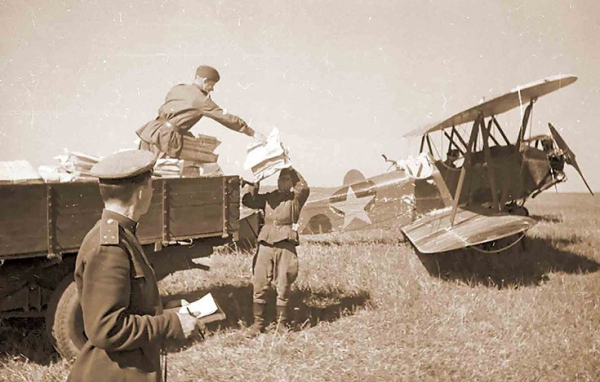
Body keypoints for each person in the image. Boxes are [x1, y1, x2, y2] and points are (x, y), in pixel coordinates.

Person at [68, 150, 201, 382]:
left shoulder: (121, 234)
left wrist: (165, 308)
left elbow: (127, 303)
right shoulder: (110, 246)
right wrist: (172, 323)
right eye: (151, 187)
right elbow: (107, 328)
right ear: (140, 193)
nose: (152, 193)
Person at [136, 65, 266, 158]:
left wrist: (183, 131)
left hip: (150, 132)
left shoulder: (177, 88)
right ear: (205, 81)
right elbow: (224, 117)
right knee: (160, 177)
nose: (212, 90)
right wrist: (252, 132)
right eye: (212, 85)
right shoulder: (201, 99)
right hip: (165, 140)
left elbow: (171, 113)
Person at [241, 167, 310, 337]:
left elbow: (305, 187)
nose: (282, 183)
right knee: (260, 281)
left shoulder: (296, 199)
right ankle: (258, 323)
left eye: (287, 180)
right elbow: (248, 201)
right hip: (266, 242)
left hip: (285, 243)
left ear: (291, 183)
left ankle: (281, 324)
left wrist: (288, 165)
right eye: (280, 179)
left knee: (283, 283)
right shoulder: (269, 197)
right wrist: (253, 184)